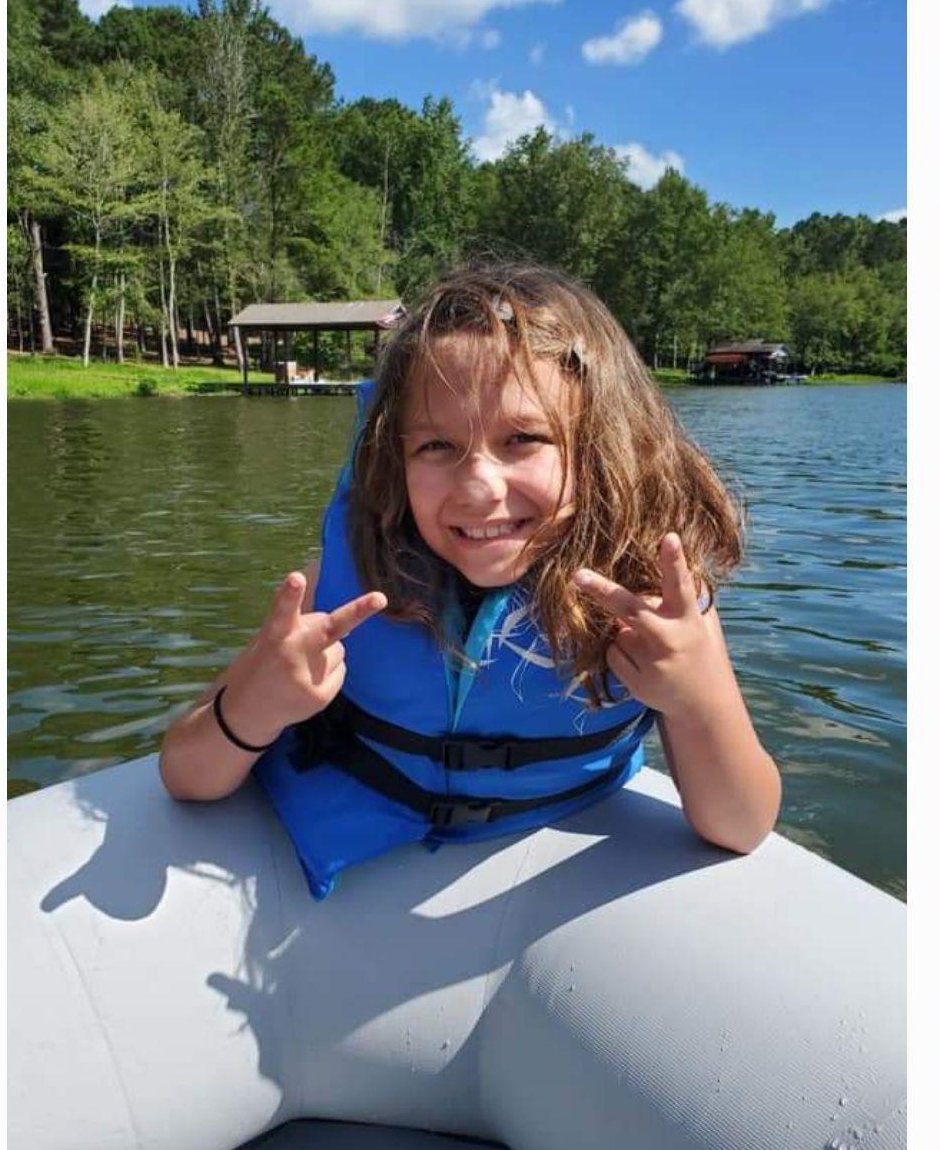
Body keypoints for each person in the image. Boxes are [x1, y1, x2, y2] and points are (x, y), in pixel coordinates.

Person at [160, 262, 779, 895]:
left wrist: (697, 700)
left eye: (523, 438)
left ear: (597, 448)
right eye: (436, 447)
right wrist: (254, 709)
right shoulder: (346, 586)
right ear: (393, 461)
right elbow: (185, 773)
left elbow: (742, 824)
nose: (479, 487)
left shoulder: (656, 599)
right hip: (362, 878)